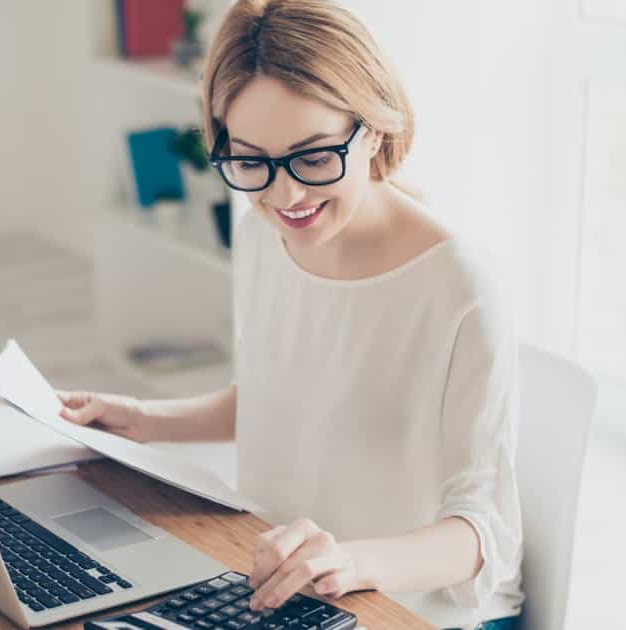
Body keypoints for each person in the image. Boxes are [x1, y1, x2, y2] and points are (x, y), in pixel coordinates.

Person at [59, 1, 522, 628]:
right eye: (250, 161)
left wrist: (351, 562)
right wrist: (143, 420)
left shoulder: (460, 285)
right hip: (279, 591)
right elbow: (280, 398)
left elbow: (480, 535)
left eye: (312, 157)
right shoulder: (261, 236)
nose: (286, 195)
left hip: (408, 609)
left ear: (376, 128)